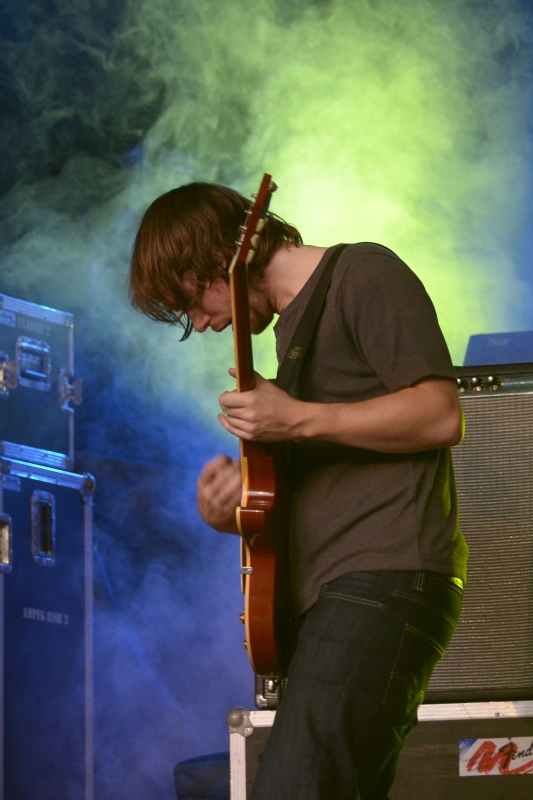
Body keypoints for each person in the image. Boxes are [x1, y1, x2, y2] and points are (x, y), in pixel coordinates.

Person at [129, 182, 468, 800]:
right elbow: (328, 477)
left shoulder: (363, 273)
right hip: (342, 593)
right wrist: (242, 507)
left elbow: (441, 414)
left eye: (193, 304)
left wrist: (297, 420)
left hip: (385, 578)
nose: (202, 324)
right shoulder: (292, 341)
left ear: (215, 262)